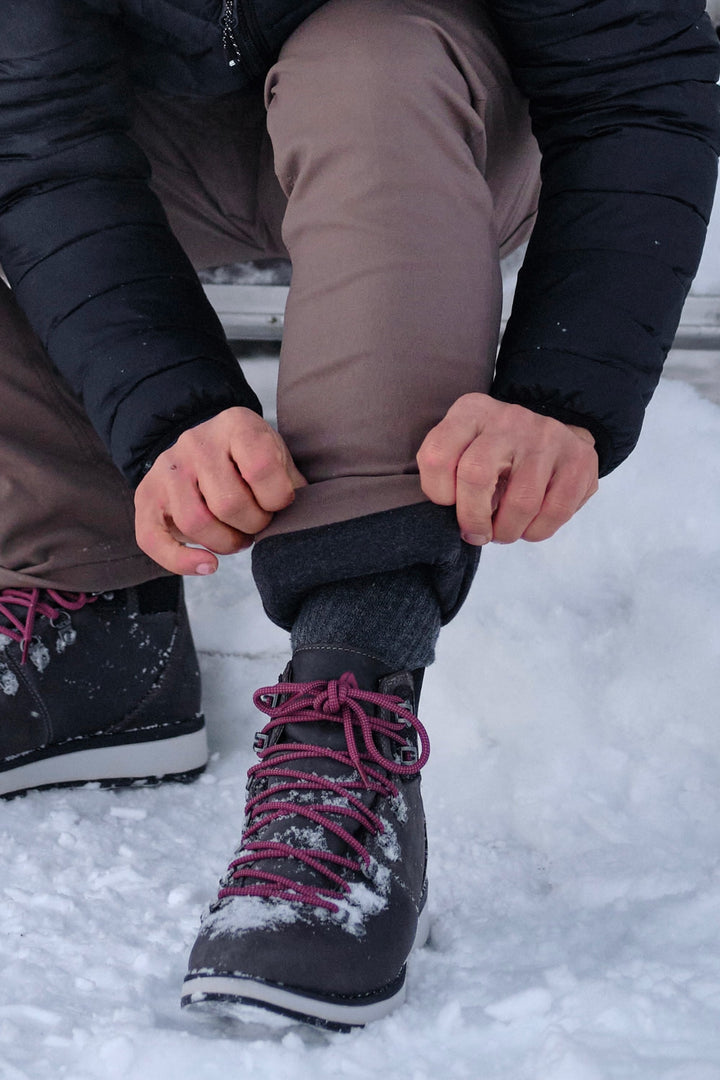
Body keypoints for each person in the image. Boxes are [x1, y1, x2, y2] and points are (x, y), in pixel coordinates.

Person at [1, 0, 718, 1031]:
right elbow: (35, 133)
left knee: (368, 60)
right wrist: (169, 413)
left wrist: (565, 392)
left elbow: (635, 81)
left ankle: (351, 707)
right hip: (172, 142)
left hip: (441, 121)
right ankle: (81, 616)